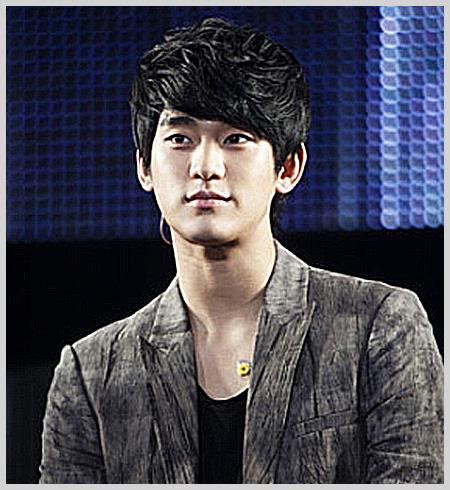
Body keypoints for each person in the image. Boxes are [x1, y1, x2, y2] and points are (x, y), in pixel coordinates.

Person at [39, 17, 443, 484]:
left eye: (236, 139)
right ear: (144, 166)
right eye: (180, 139)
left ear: (287, 167)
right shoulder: (91, 373)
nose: (205, 166)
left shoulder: (380, 326)